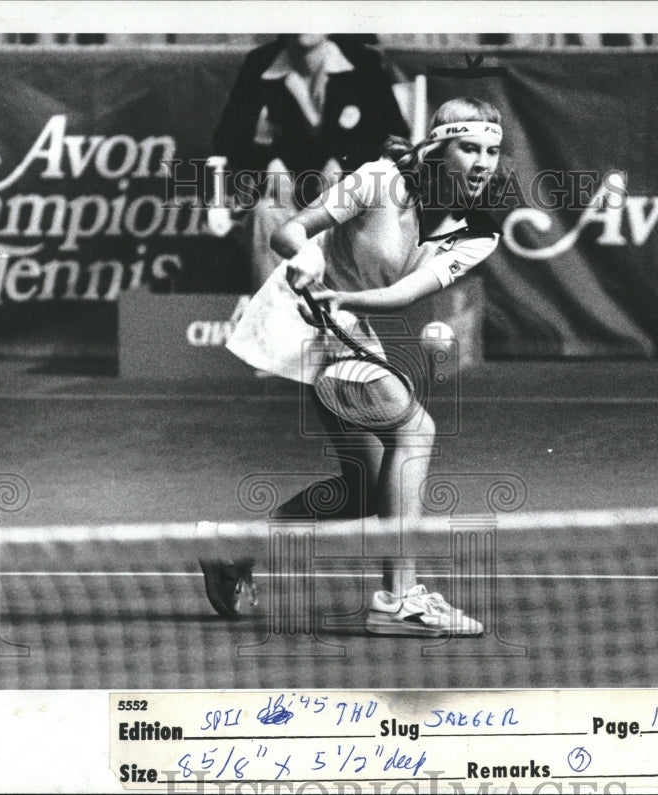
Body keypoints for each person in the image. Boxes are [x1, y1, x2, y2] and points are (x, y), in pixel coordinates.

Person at [202, 97, 509, 636]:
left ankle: (232, 549)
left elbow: (404, 292)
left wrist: (348, 304)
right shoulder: (379, 180)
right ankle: (397, 600)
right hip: (300, 313)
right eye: (469, 148)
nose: (484, 162)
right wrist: (303, 258)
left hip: (348, 318)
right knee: (415, 430)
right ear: (438, 148)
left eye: (492, 150)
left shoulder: (479, 229)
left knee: (364, 491)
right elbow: (290, 230)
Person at [210, 34, 409, 289]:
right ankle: (276, 319)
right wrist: (267, 162)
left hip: (349, 202)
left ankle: (342, 318)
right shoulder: (260, 64)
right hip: (287, 202)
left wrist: (346, 163)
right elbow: (227, 138)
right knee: (265, 212)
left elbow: (396, 138)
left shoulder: (363, 64)